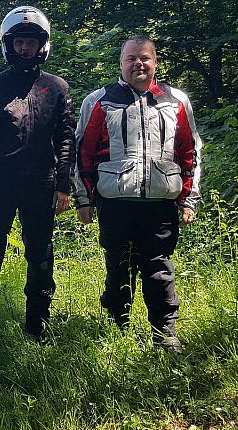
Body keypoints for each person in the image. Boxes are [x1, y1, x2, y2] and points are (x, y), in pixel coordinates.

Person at [73, 35, 202, 352]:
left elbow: (189, 152)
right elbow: (82, 152)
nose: (138, 64)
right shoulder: (99, 100)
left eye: (144, 58)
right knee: (119, 267)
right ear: (121, 63)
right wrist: (84, 199)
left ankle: (165, 333)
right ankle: (116, 328)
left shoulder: (176, 101)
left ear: (155, 62)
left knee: (159, 269)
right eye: (131, 58)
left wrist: (188, 199)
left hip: (161, 202)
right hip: (114, 202)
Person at [0, 6, 76, 341]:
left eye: (31, 42)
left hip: (41, 181)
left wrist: (64, 184)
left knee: (40, 253)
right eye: (19, 42)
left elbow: (66, 137)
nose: (25, 48)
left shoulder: (56, 88)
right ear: (8, 45)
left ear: (42, 45)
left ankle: (38, 323)